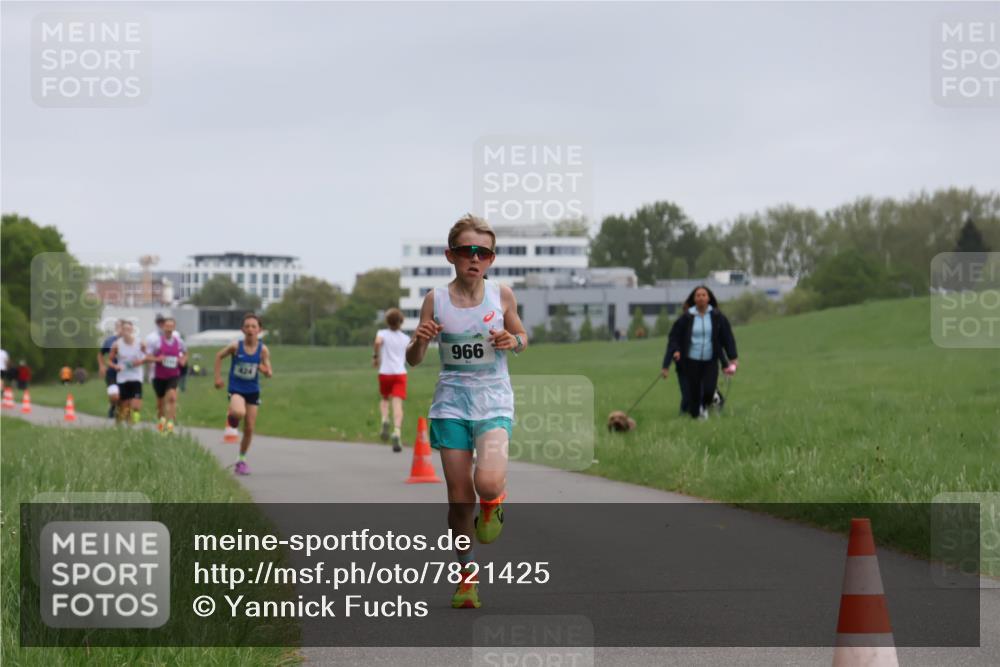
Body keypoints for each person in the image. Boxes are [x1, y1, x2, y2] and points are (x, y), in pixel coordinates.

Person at [406, 214, 528, 609]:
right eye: (465, 251)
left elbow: (523, 337)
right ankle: (466, 576)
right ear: (450, 255)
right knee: (460, 501)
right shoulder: (435, 300)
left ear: (491, 259)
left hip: (493, 401)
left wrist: (514, 340)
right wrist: (419, 341)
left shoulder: (502, 296)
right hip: (451, 405)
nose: (474, 258)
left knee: (488, 484)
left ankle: (493, 505)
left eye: (483, 252)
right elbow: (413, 359)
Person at [662, 285, 738, 420]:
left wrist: (733, 357)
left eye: (704, 295)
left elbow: (727, 337)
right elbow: (674, 338)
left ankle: (702, 408)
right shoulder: (686, 317)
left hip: (710, 360)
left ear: (708, 298)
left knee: (709, 390)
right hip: (691, 361)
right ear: (694, 299)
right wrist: (669, 360)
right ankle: (698, 415)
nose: (701, 297)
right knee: (694, 392)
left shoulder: (717, 316)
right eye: (698, 295)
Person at [214, 313, 272, 476]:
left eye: (254, 326)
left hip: (253, 390)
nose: (250, 329)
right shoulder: (235, 346)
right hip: (236, 389)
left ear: (259, 330)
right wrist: (217, 378)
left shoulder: (263, 350)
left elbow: (269, 371)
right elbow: (219, 356)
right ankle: (233, 417)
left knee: (249, 428)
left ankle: (241, 460)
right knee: (239, 412)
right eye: (247, 326)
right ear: (242, 329)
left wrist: (265, 370)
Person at [373, 307, 410, 452]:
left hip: (385, 372)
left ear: (387, 321)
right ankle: (397, 431)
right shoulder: (405, 338)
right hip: (400, 373)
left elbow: (377, 343)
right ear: (401, 322)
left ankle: (384, 419)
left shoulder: (382, 333)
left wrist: (376, 357)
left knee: (384, 399)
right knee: (397, 404)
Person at [147, 317, 187, 435]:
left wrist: (183, 360)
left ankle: (170, 426)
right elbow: (147, 357)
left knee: (172, 398)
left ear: (174, 328)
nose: (169, 329)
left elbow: (185, 353)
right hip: (159, 376)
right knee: (160, 404)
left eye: (171, 326)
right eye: (167, 326)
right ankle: (161, 424)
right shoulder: (157, 342)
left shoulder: (179, 341)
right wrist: (157, 359)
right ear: (163, 327)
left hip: (173, 375)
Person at [108, 320, 148, 424]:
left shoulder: (140, 342)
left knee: (135, 406)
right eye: (124, 329)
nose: (126, 331)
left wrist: (140, 361)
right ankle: (120, 426)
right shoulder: (117, 344)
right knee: (123, 407)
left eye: (128, 329)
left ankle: (134, 424)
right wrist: (115, 366)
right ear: (121, 330)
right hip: (122, 378)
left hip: (136, 377)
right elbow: (110, 360)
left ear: (132, 330)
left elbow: (147, 357)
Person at [98, 320, 122, 418]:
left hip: (125, 373)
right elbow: (101, 354)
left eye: (123, 328)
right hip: (112, 372)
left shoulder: (131, 342)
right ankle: (113, 406)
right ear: (116, 329)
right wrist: (101, 366)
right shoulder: (110, 341)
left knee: (122, 396)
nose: (121, 330)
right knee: (114, 396)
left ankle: (120, 413)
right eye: (119, 327)